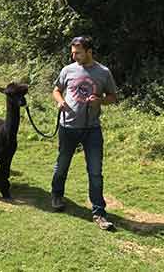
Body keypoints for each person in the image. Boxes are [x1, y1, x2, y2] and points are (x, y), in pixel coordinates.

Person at [51, 36, 117, 230]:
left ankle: (99, 213)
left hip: (92, 130)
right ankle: (56, 196)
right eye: (72, 52)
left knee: (95, 172)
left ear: (89, 51)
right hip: (67, 127)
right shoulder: (67, 70)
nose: (74, 56)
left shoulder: (103, 72)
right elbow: (56, 90)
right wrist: (60, 101)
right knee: (62, 165)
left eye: (77, 52)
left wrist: (100, 101)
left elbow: (113, 97)